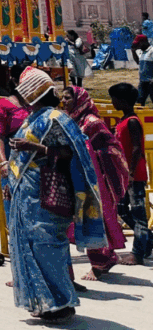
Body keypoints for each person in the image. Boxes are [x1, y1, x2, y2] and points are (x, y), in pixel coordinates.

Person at [4, 68, 107, 322]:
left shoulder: (56, 119)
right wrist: (12, 182)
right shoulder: (32, 118)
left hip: (47, 193)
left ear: (34, 94)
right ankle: (43, 302)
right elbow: (19, 157)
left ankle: (61, 303)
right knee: (28, 246)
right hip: (26, 193)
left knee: (48, 247)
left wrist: (35, 147)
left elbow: (73, 153)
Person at [63, 85, 131, 277]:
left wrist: (90, 155)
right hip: (80, 177)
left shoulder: (92, 123)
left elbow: (111, 149)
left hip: (97, 179)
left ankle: (101, 263)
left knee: (97, 219)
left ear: (79, 100)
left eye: (68, 98)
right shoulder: (72, 121)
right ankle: (105, 259)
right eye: (63, 98)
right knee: (85, 219)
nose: (64, 101)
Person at [109, 82, 151, 265]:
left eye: (114, 99)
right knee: (122, 210)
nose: (112, 102)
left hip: (134, 175)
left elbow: (136, 148)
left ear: (123, 100)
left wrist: (131, 173)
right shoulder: (122, 121)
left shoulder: (132, 121)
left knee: (138, 212)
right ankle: (146, 240)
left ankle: (137, 253)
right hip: (124, 174)